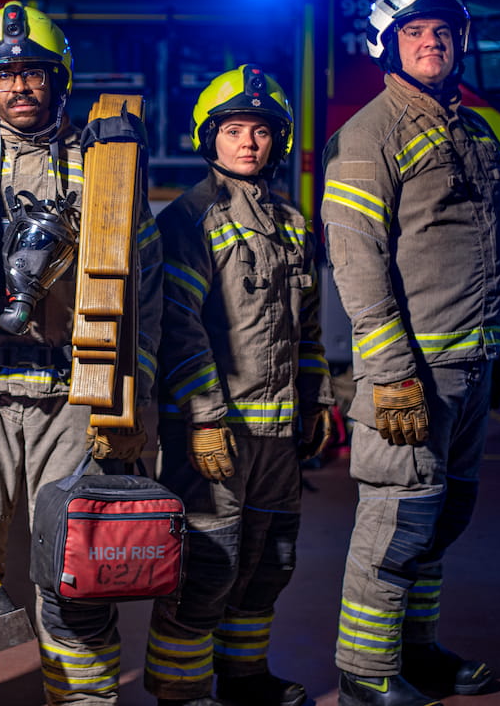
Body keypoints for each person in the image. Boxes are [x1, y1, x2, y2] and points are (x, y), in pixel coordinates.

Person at [0, 1, 162, 706]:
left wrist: (135, 404)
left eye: (33, 72)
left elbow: (148, 291)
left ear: (59, 80)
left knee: (78, 574)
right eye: (3, 74)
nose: (19, 86)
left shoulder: (107, 165)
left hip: (76, 402)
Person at [321, 0, 500, 706]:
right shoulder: (370, 135)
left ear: (459, 42)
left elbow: (491, 241)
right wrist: (393, 372)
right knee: (397, 519)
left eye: (442, 32)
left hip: (470, 363)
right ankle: (364, 671)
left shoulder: (473, 131)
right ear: (387, 44)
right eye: (414, 33)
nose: (431, 43)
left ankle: (418, 651)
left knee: (442, 516)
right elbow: (356, 261)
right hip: (412, 372)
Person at [142, 66, 334, 706]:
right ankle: (180, 690)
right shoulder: (189, 220)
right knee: (208, 567)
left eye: (259, 131)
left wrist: (317, 402)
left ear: (276, 142)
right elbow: (177, 327)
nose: (247, 143)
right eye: (233, 130)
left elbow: (307, 325)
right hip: (218, 436)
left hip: (278, 434)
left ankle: (244, 678)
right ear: (210, 139)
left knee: (269, 564)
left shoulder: (292, 222)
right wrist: (202, 416)